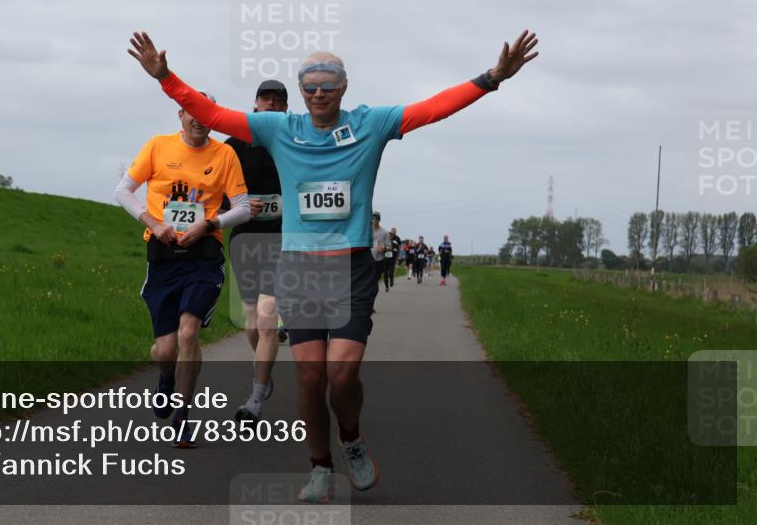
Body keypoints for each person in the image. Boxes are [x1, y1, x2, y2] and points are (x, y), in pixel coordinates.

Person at [127, 28, 539, 501]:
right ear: (300, 92)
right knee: (310, 375)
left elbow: (433, 108)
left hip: (350, 267)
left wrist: (492, 77)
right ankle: (320, 466)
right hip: (300, 269)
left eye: (328, 84)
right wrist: (166, 79)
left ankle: (352, 438)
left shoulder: (372, 124)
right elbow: (213, 114)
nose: (319, 92)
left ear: (344, 87)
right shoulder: (279, 128)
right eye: (310, 86)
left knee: (341, 374)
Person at [113, 92, 252, 448]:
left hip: (204, 253)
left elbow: (243, 208)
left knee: (189, 333)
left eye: (205, 113)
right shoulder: (158, 147)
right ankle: (166, 377)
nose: (198, 119)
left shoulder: (225, 154)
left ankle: (184, 416)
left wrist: (209, 224)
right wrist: (152, 222)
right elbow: (123, 190)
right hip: (163, 252)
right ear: (180, 114)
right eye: (191, 112)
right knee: (164, 349)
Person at [224, 79, 288, 422]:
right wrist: (244, 206)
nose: (272, 104)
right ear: (256, 105)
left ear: (286, 110)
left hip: (282, 238)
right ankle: (266, 371)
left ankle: (256, 397)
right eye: (267, 99)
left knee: (267, 317)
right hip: (245, 238)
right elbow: (217, 193)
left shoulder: (295, 144)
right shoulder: (233, 145)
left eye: (279, 101)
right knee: (252, 323)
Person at [371, 211, 387, 286]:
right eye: (373, 218)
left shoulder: (384, 232)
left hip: (379, 259)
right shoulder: (367, 230)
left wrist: (384, 247)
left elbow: (390, 246)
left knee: (376, 279)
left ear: (379, 220)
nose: (374, 220)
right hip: (369, 258)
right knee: (370, 280)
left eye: (376, 218)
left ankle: (373, 293)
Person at [383, 227, 399, 292]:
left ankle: (391, 280)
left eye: (390, 236)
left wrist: (395, 250)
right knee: (385, 274)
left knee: (391, 273)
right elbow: (381, 249)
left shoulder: (394, 243)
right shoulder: (383, 243)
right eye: (388, 236)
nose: (389, 237)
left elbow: (397, 249)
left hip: (392, 260)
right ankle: (386, 287)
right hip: (385, 260)